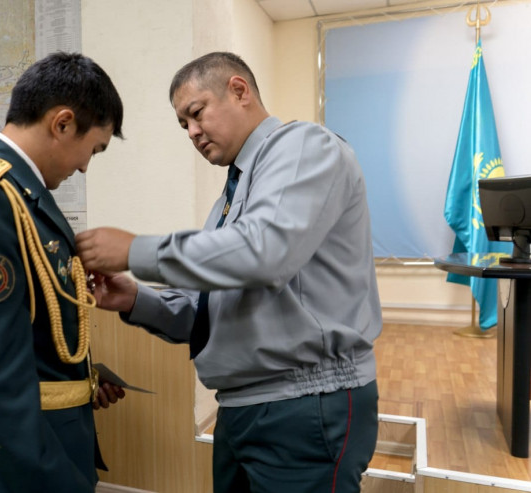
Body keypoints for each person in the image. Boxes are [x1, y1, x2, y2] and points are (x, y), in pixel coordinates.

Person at [76, 52, 382, 493]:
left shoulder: (304, 146)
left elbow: (264, 252)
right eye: (183, 125)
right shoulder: (232, 196)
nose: (192, 132)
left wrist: (134, 250)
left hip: (304, 404)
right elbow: (211, 314)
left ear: (239, 90)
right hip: (243, 408)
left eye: (196, 113)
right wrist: (135, 299)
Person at [0, 52, 125, 492]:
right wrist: (59, 482)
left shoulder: (21, 194)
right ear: (62, 124)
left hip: (50, 446)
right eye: (93, 149)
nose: (85, 166)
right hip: (21, 470)